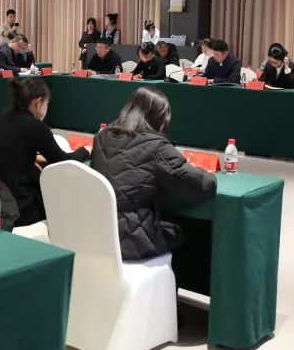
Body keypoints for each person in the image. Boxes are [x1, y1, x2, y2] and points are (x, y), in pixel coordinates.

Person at [90, 87, 217, 260]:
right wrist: (206, 173)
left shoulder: (102, 137)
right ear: (160, 118)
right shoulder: (158, 146)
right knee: (192, 230)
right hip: (132, 241)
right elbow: (200, 186)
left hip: (97, 233)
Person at [0, 78, 91, 227]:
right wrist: (86, 150)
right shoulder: (35, 126)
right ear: (38, 103)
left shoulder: (1, 119)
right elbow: (64, 161)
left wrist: (33, 158)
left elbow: (10, 153)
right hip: (22, 208)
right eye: (47, 104)